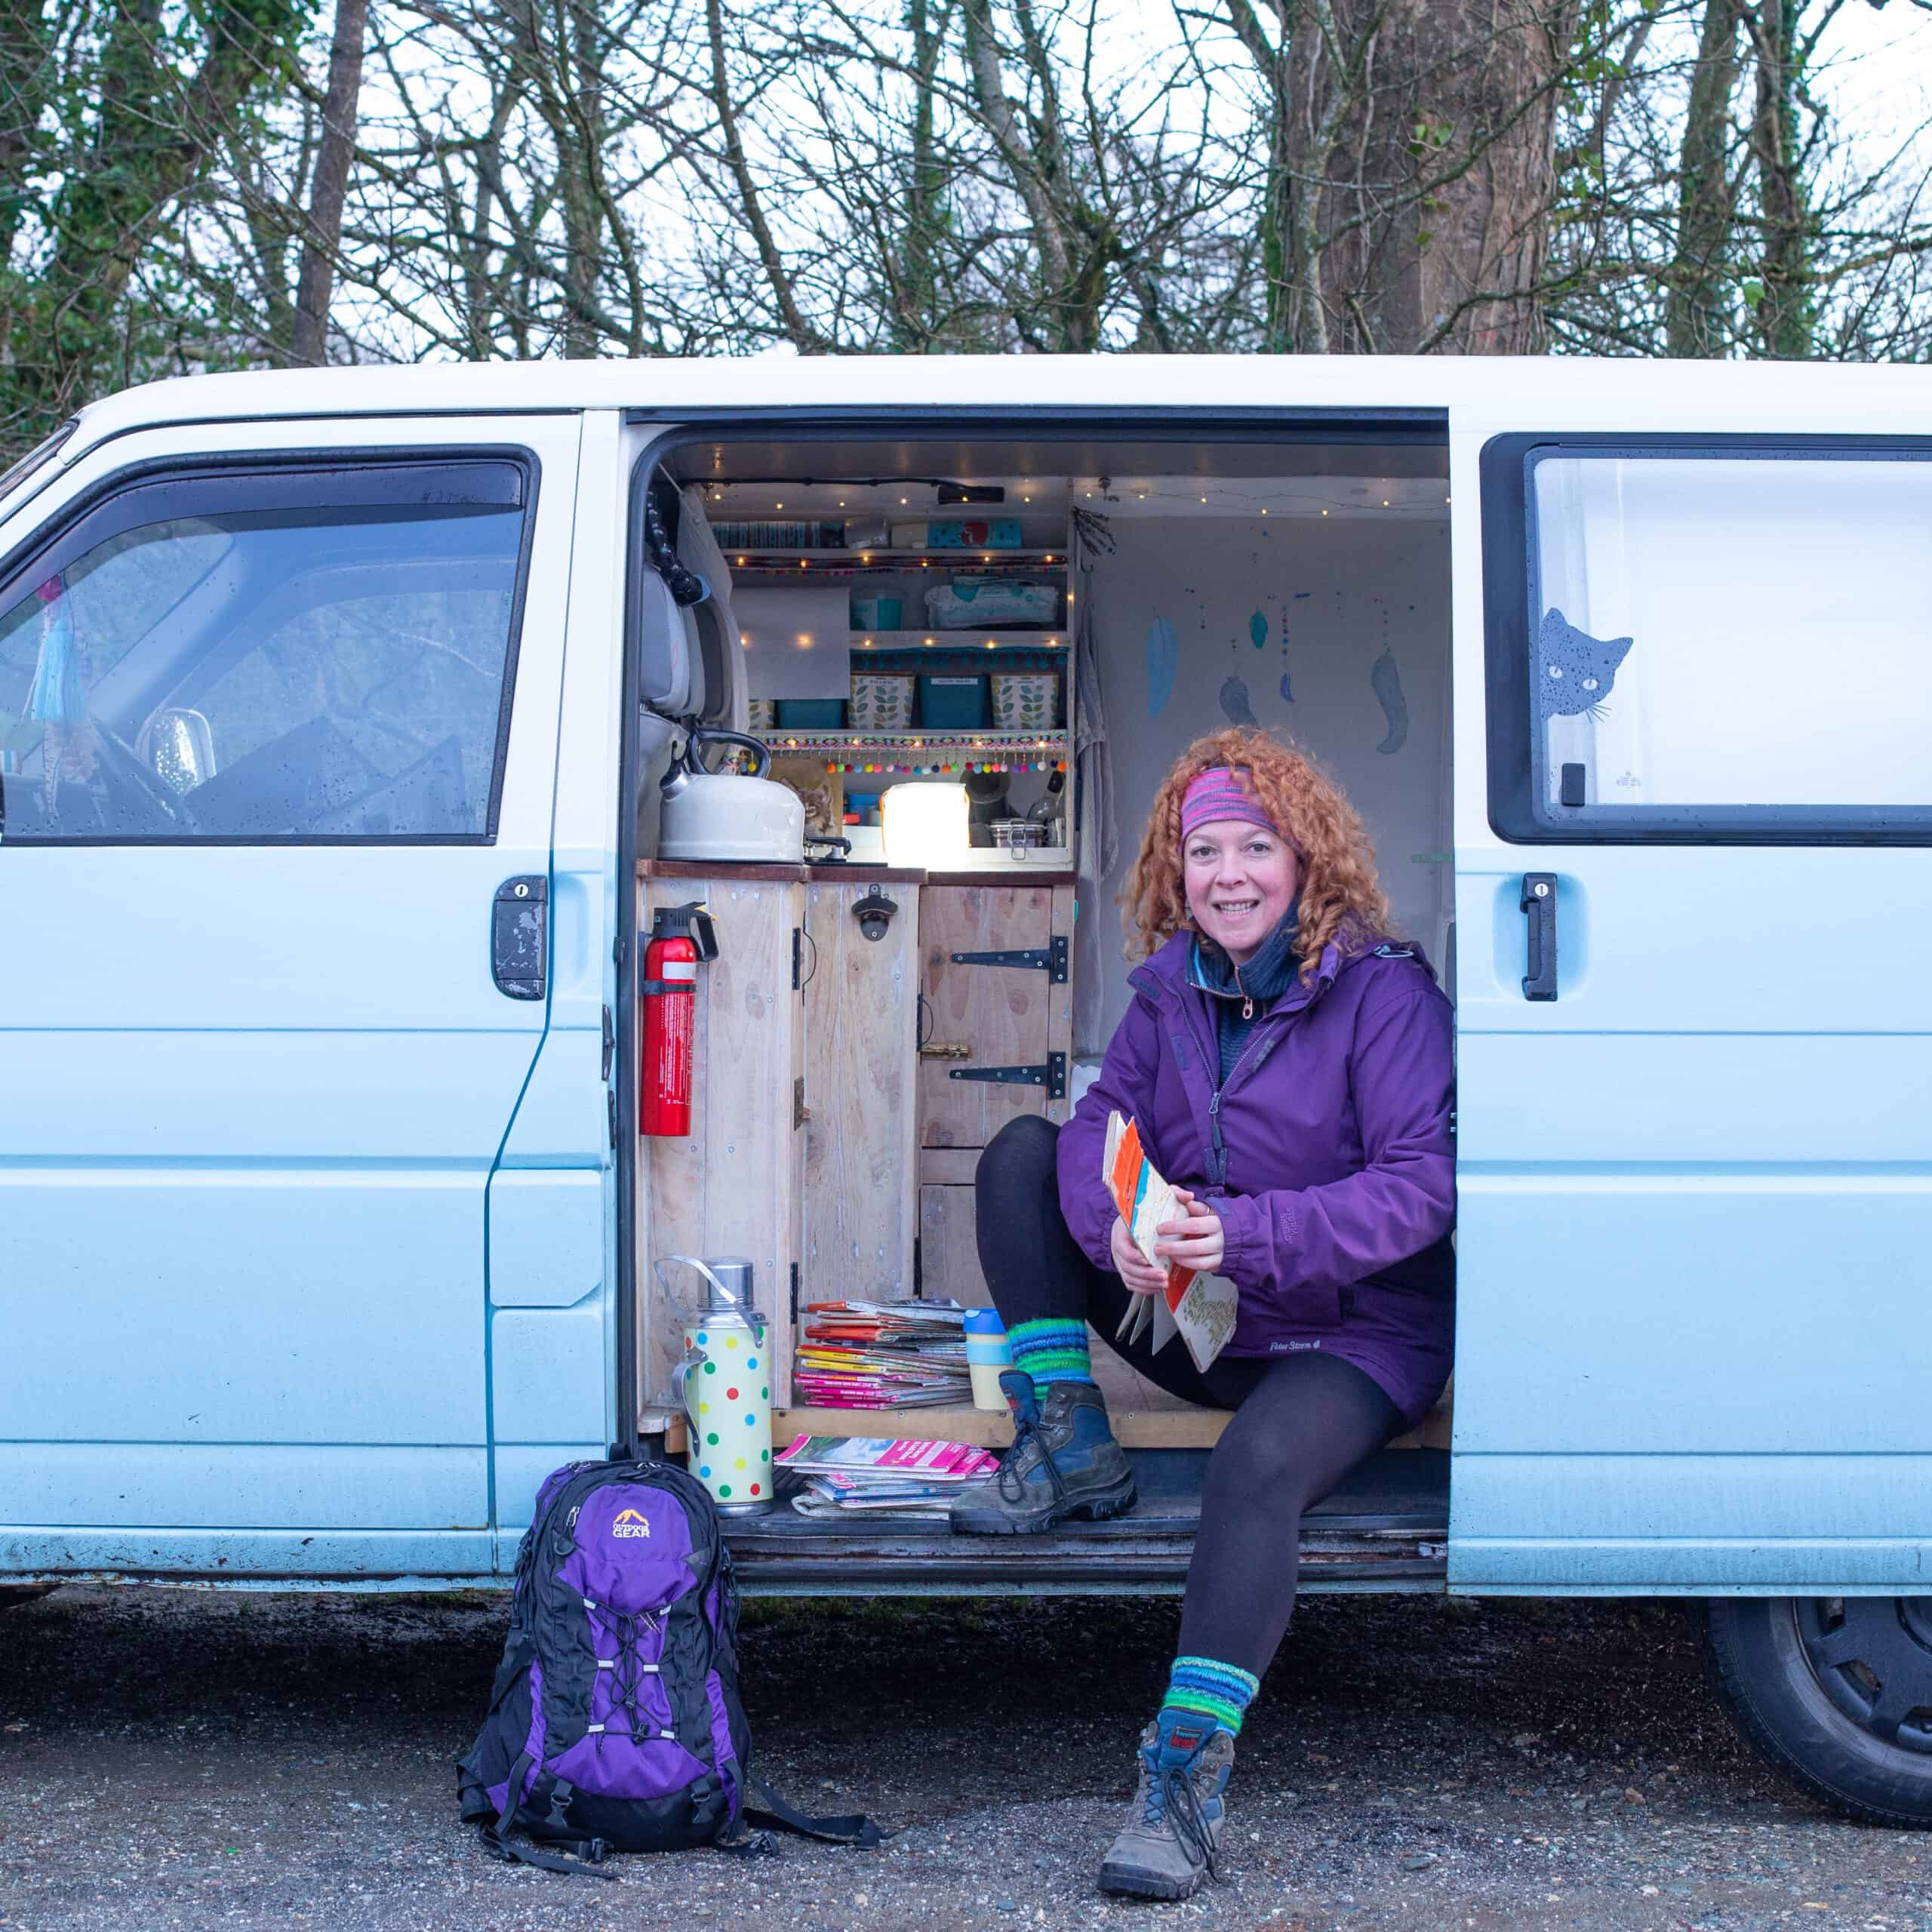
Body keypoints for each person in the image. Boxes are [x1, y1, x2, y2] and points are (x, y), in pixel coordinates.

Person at [949, 727, 1455, 1901]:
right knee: (1024, 1153)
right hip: (1214, 1308)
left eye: (1255, 846)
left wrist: (1245, 1231)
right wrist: (1115, 1228)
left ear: (1307, 859)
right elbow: (1097, 1133)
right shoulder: (1170, 991)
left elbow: (1421, 1190)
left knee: (1256, 1470)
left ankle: (1179, 1783)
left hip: (1356, 1332)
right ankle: (1068, 1443)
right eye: (1203, 850)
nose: (1228, 873)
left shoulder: (1383, 993)